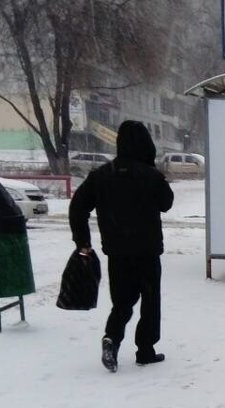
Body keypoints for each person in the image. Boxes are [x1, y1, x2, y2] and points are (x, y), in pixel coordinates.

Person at [70, 120, 174, 372]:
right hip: (147, 251)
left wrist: (83, 242)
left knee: (122, 301)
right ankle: (145, 350)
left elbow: (77, 208)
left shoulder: (102, 175)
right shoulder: (150, 176)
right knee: (150, 300)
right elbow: (166, 203)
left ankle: (112, 338)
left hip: (117, 252)